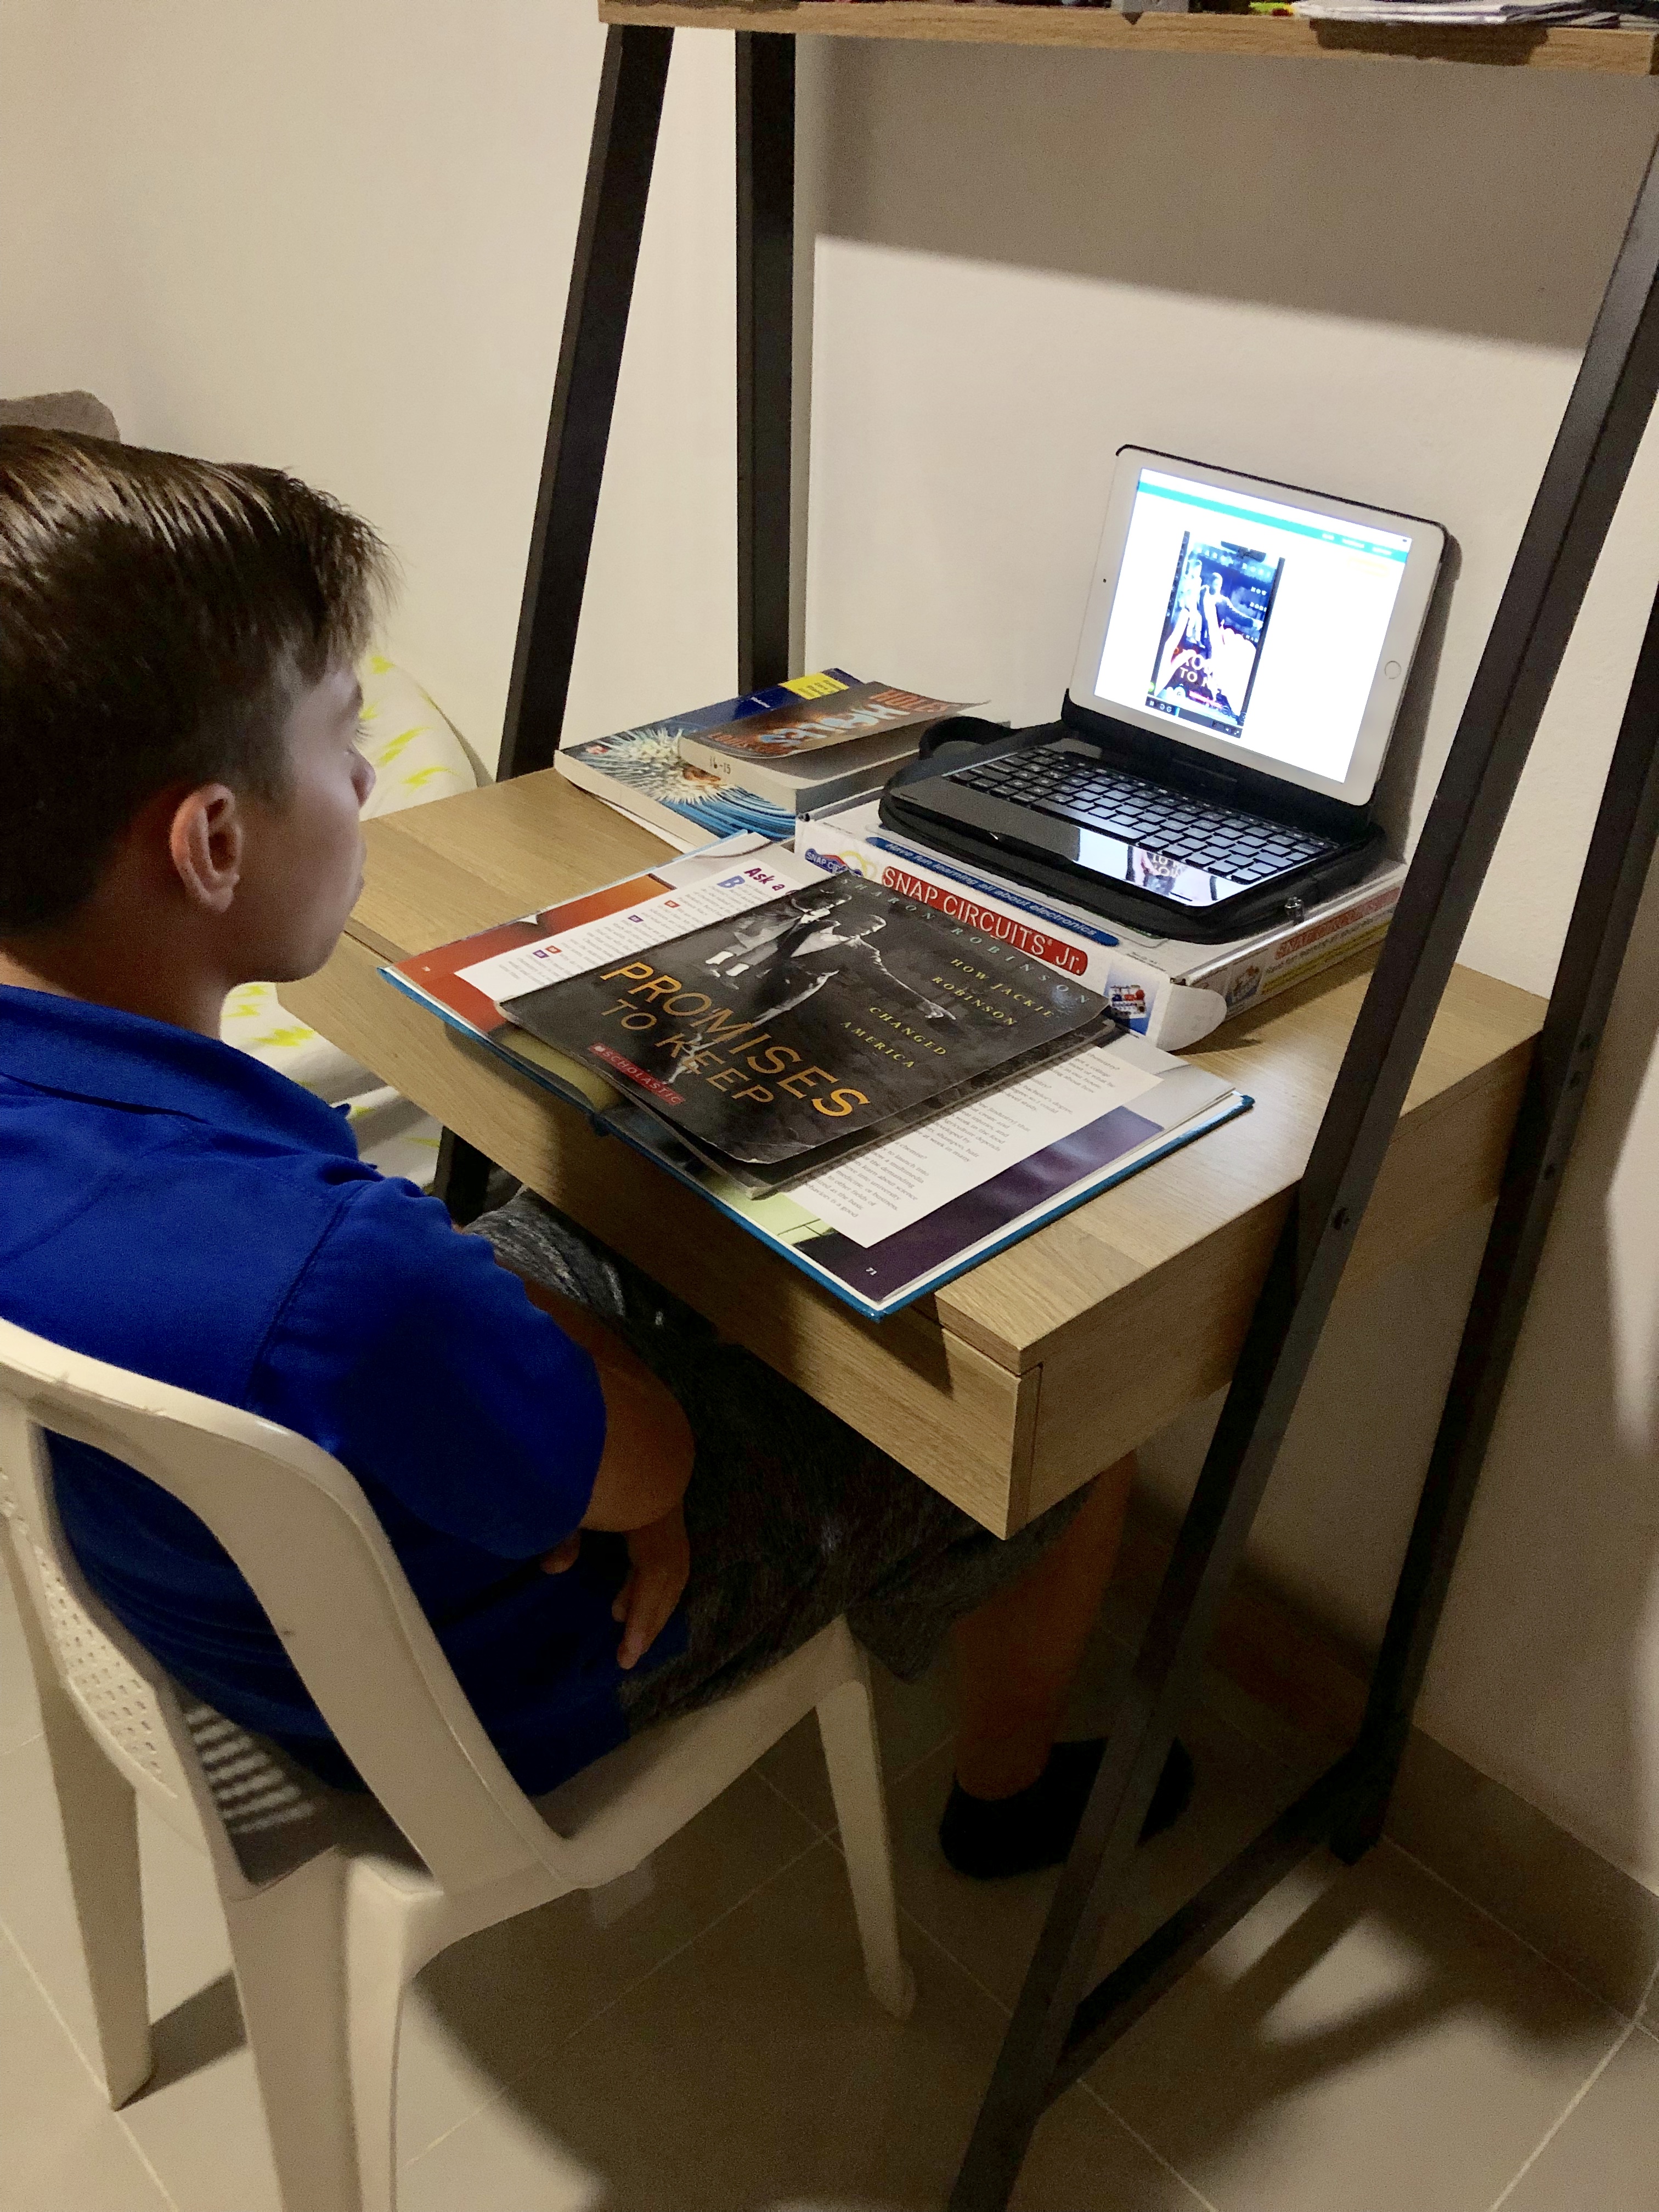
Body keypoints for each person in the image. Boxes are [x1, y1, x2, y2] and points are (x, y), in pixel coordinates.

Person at [0, 429, 1191, 1881]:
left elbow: (415, 1304)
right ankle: (1009, 1798)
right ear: (211, 843)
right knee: (1073, 1416)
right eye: (334, 739)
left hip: (204, 1602)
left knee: (619, 1222)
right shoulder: (331, 1277)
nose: (366, 776)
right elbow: (647, 1467)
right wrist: (633, 1453)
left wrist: (559, 1388)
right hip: (469, 1686)